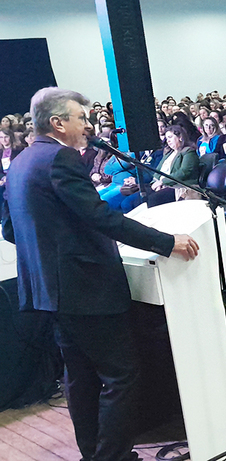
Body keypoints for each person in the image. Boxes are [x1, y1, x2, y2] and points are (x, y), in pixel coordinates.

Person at [2, 87, 200, 461]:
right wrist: (165, 241)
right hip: (85, 288)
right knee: (121, 376)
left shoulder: (22, 162)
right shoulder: (61, 158)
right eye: (81, 118)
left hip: (51, 291)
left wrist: (55, 242)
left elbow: (10, 230)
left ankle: (94, 453)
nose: (88, 125)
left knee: (80, 377)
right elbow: (101, 217)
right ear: (57, 123)